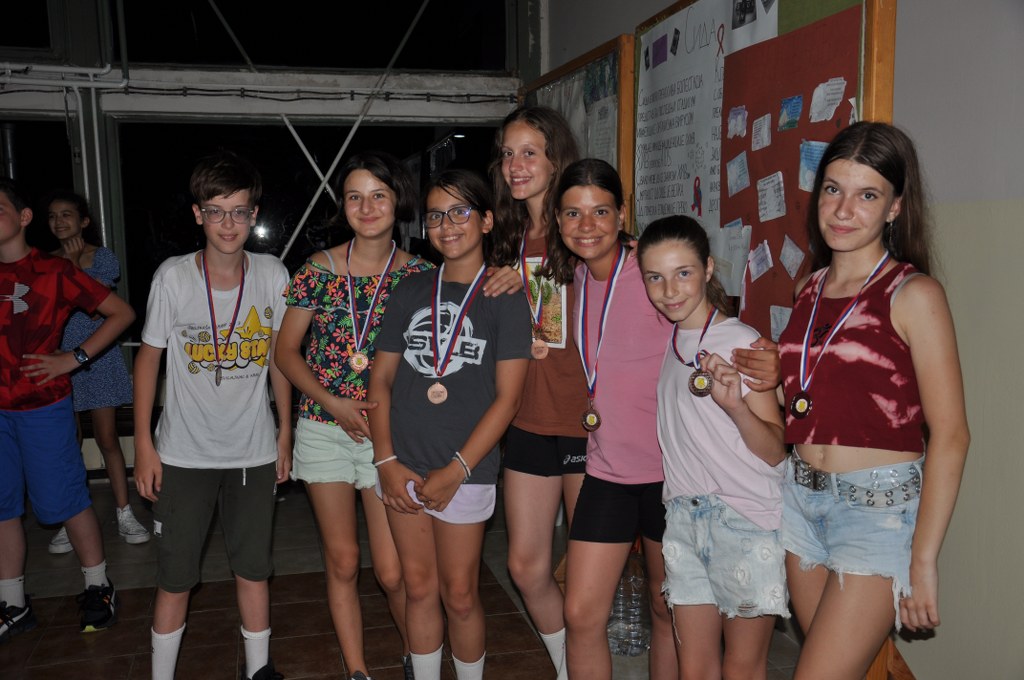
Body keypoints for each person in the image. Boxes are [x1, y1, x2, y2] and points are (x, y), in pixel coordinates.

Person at [777, 122, 968, 679]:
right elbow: (813, 396)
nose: (843, 210)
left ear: (894, 207)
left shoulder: (914, 294)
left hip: (876, 512)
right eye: (833, 189)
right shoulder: (807, 289)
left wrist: (923, 560)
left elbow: (952, 435)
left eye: (867, 195)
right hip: (800, 502)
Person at [132, 151, 292, 680]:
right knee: (175, 577)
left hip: (253, 450)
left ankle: (259, 671)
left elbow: (280, 360)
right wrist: (144, 446)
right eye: (216, 211)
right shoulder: (174, 277)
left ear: (254, 215)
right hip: (182, 453)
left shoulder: (272, 274)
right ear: (198, 214)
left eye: (239, 211)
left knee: (254, 569)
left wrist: (285, 433)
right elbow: (148, 360)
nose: (228, 223)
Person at [367, 169, 532, 680]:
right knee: (418, 588)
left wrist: (458, 469)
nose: (447, 225)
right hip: (403, 463)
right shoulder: (410, 290)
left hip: (467, 467)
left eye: (460, 212)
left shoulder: (506, 297)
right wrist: (385, 460)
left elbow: (508, 399)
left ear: (486, 221)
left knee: (459, 595)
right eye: (436, 215)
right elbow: (380, 381)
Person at [274, 151, 431, 680]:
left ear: (398, 201)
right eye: (355, 197)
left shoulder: (422, 275)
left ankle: (416, 656)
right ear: (343, 206)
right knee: (342, 560)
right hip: (325, 428)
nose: (367, 207)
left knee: (392, 572)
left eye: (378, 195)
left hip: (389, 435)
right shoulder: (317, 270)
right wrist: (333, 403)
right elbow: (285, 353)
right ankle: (357, 669)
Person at [638, 215, 788, 680]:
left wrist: (737, 407)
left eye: (683, 273)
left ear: (707, 268)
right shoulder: (669, 342)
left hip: (743, 518)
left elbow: (776, 450)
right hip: (682, 519)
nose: (670, 290)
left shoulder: (741, 341)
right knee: (695, 668)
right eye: (655, 277)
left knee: (742, 667)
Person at [0, 177, 134, 641]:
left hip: (41, 406)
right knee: (2, 506)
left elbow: (122, 313)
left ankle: (98, 587)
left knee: (67, 500)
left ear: (23, 218)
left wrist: (72, 359)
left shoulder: (52, 271)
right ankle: (13, 603)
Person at [488, 104, 583, 680]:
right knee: (526, 568)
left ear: (556, 159)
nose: (516, 165)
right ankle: (570, 667)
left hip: (590, 424)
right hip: (527, 419)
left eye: (529, 152)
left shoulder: (584, 229)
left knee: (589, 581)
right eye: (508, 154)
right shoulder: (505, 240)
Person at [44, 190, 149, 555]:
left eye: (67, 214)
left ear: (84, 221)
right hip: (59, 361)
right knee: (67, 443)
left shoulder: (101, 257)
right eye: (53, 216)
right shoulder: (45, 262)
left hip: (98, 358)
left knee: (107, 438)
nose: (59, 221)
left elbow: (92, 308)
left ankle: (124, 513)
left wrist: (73, 264)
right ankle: (70, 519)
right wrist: (66, 263)